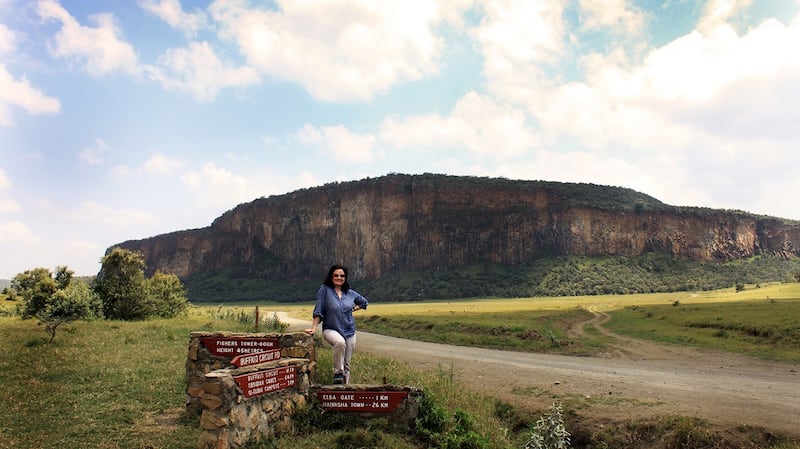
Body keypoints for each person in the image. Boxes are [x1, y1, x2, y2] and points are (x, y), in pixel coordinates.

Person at [306, 264, 368, 384]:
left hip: (350, 331)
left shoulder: (350, 293)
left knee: (347, 363)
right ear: (331, 276)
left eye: (342, 276)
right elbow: (318, 310)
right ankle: (337, 373)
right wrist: (313, 328)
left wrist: (352, 309)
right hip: (331, 329)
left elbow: (364, 302)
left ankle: (343, 389)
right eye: (336, 275)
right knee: (339, 343)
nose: (339, 277)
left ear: (345, 278)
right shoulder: (325, 290)